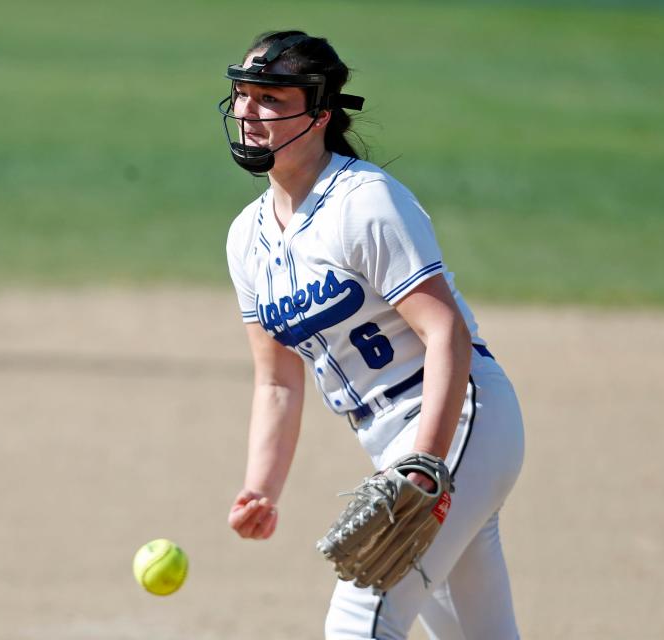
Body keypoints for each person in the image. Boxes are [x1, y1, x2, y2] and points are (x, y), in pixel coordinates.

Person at [220, 31, 525, 639]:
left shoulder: (365, 202)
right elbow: (277, 381)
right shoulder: (245, 237)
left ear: (321, 114)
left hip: (459, 419)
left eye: (270, 98)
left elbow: (447, 335)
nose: (249, 112)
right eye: (243, 95)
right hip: (391, 441)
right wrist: (262, 486)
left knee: (362, 618)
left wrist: (426, 463)